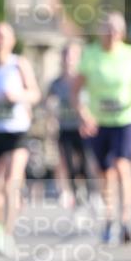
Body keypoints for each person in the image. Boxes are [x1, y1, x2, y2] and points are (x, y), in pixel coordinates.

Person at [73, 12, 131, 244]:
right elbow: (76, 89)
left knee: (122, 165)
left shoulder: (130, 54)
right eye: (107, 29)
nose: (111, 33)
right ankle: (109, 219)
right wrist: (83, 114)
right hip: (99, 121)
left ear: (122, 32)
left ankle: (126, 219)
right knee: (104, 172)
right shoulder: (91, 54)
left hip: (126, 118)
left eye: (116, 29)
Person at [0, 22, 40, 257]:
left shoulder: (19, 64)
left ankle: (8, 233)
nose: (0, 41)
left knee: (12, 182)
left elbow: (35, 93)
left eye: (4, 37)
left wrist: (18, 96)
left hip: (15, 130)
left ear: (12, 41)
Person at [46, 42, 90, 208]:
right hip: (64, 127)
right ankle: (73, 193)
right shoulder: (56, 83)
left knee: (85, 161)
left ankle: (87, 189)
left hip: (81, 127)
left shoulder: (83, 81)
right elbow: (49, 103)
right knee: (68, 162)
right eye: (66, 55)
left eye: (72, 56)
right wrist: (51, 116)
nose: (69, 60)